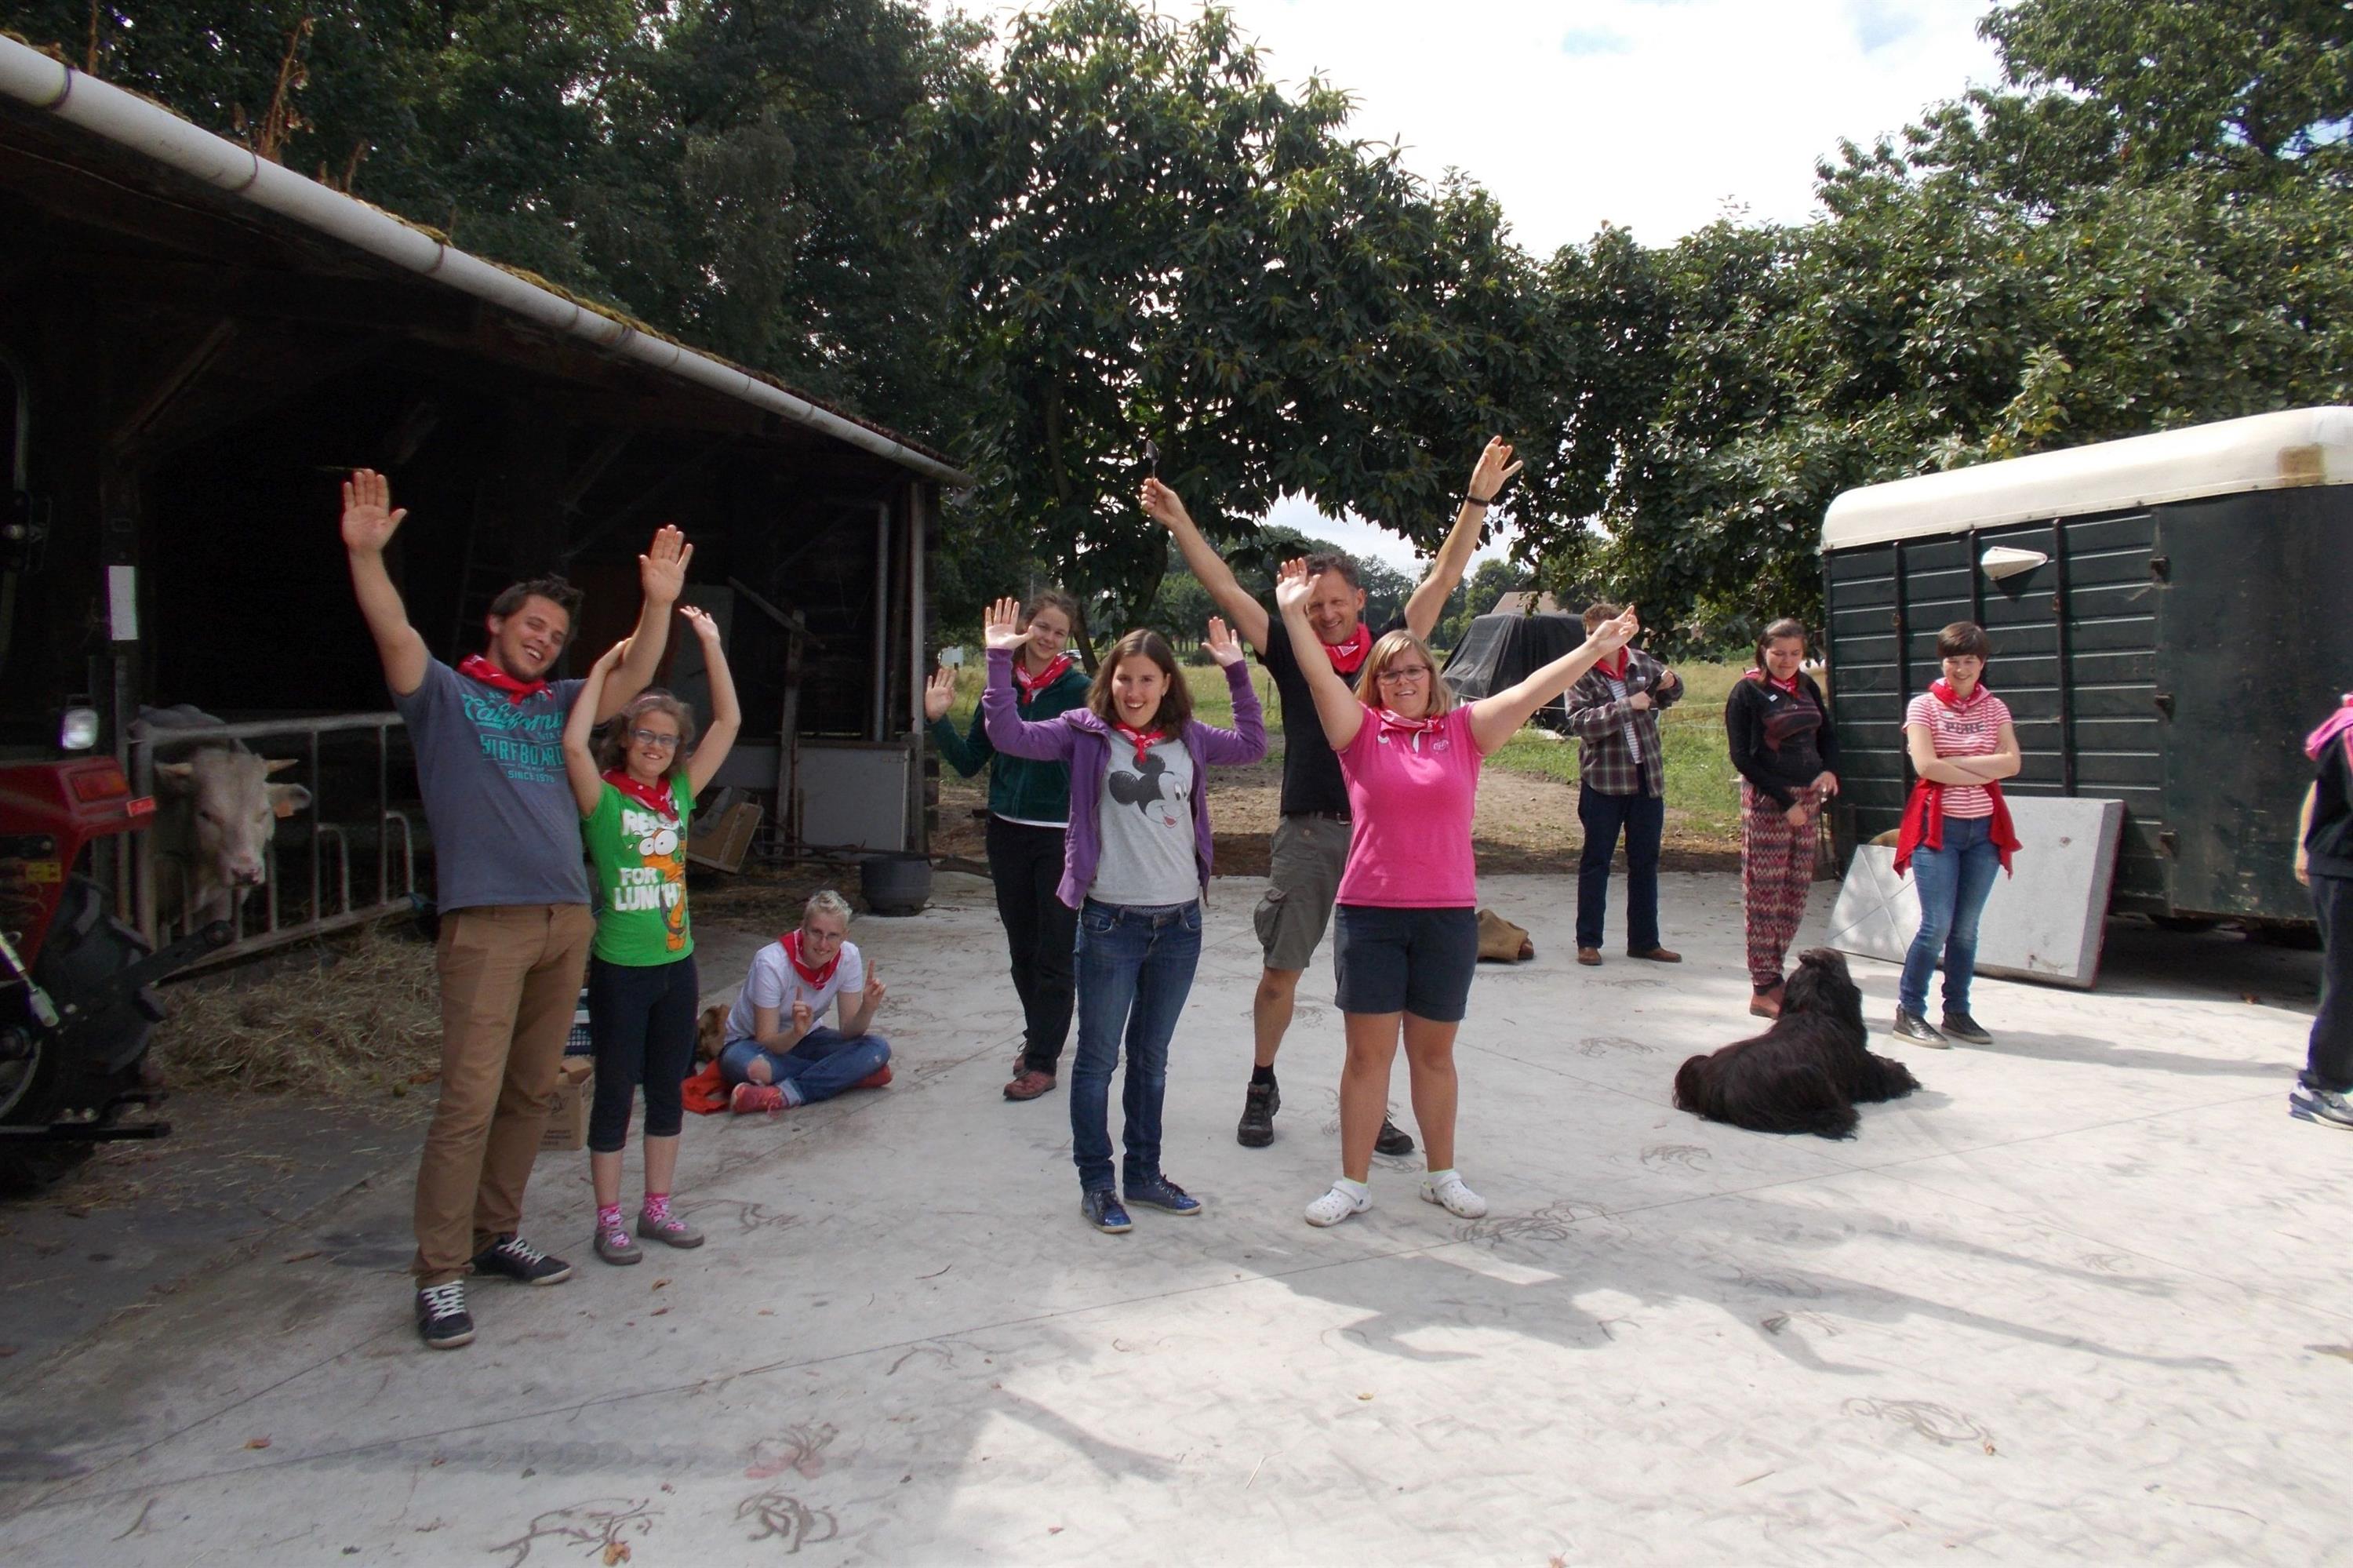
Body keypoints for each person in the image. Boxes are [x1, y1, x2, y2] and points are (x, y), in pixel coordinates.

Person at [340, 468, 686, 1352]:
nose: (545, 639)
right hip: (486, 922)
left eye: (558, 633)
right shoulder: (445, 698)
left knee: (533, 1089)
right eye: (533, 624)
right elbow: (393, 632)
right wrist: (367, 557)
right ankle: (440, 1271)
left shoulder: (562, 707)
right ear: (497, 627)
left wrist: (656, 605)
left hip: (565, 919)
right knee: (467, 1097)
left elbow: (639, 676)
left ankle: (495, 1233)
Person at [1144, 438, 1514, 1153]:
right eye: (1315, 606)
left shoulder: (1391, 653)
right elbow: (1224, 587)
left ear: (1360, 602)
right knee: (1282, 970)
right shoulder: (1288, 648)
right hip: (1310, 833)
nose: (1327, 615)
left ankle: (1372, 1110)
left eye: (1338, 603)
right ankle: (1261, 1079)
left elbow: (1444, 572)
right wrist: (1182, 522)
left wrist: (1476, 500)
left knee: (1383, 990)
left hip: (1386, 845)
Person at [1271, 558, 1638, 1228]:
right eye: (1390, 672)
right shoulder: (1356, 733)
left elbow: (1531, 690)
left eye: (1415, 669)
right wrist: (1295, 613)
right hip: (1371, 915)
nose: (1404, 680)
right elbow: (1318, 674)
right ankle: (1352, 1182)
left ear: (1431, 676)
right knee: (1366, 1056)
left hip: (1444, 917)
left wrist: (1593, 647)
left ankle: (1442, 1174)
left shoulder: (1463, 732)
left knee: (1434, 1055)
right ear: (1375, 684)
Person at [980, 597, 1266, 1234]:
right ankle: (1097, 1182)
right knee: (1098, 1060)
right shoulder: (1084, 731)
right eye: (1124, 677)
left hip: (1180, 925)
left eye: (1147, 678)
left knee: (1152, 1058)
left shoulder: (1188, 737)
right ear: (1109, 678)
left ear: (1167, 684)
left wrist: (1237, 672)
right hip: (1111, 921)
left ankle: (1143, 1173)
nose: (1133, 690)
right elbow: (1007, 735)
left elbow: (1252, 744)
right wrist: (999, 658)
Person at [562, 609, 740, 1265]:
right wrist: (603, 672)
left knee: (667, 1087)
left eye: (668, 738)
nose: (656, 746)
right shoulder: (604, 798)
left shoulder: (681, 795)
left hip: (677, 965)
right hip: (619, 967)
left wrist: (713, 646)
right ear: (627, 738)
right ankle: (607, 1218)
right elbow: (574, 746)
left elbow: (730, 723)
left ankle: (656, 1206)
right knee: (615, 1091)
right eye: (644, 734)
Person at [923, 591, 1092, 1102]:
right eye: (1041, 626)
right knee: (1022, 950)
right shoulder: (1001, 688)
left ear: (1068, 640)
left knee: (1055, 951)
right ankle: (1039, 1035)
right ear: (1023, 626)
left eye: (1059, 631)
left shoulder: (1081, 690)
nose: (1048, 637)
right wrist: (937, 720)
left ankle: (1042, 1060)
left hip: (1060, 836)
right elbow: (971, 760)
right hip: (1007, 833)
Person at [1892, 621, 2021, 1047]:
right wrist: (1984, 762)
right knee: (1936, 925)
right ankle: (1909, 1011)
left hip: (1984, 830)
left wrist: (1958, 763)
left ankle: (1958, 1011)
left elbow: (2013, 764)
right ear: (1942, 662)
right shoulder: (1923, 707)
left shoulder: (1996, 708)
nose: (1961, 670)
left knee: (1966, 928)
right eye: (1953, 661)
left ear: (1982, 664)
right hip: (1937, 829)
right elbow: (1926, 767)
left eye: (1969, 661)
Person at [1726, 619, 1839, 1018]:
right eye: (1779, 654)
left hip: (1807, 798)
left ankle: (1778, 973)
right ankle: (1762, 985)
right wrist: (1781, 799)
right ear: (1763, 651)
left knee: (1794, 894)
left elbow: (1826, 735)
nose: (1788, 661)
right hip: (1768, 801)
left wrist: (1828, 770)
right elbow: (1741, 756)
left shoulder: (1807, 687)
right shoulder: (1747, 692)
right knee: (1764, 895)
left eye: (1795, 654)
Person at [1563, 598, 1684, 968]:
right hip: (1603, 782)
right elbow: (1582, 724)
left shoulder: (1642, 662)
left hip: (1646, 780)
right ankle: (1588, 942)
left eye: (1607, 631)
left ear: (1623, 631)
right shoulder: (1578, 672)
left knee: (1645, 862)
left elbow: (1673, 694)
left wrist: (1672, 682)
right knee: (1596, 861)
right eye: (1591, 633)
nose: (1599, 639)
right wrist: (1628, 705)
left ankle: (1645, 941)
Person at [718, 890, 893, 1111]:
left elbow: (849, 1030)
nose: (823, 944)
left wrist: (867, 1008)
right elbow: (766, 1039)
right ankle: (850, 1075)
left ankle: (786, 1095)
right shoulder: (771, 963)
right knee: (751, 1069)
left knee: (877, 1047)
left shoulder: (849, 956)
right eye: (816, 933)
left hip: (808, 1038)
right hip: (751, 1043)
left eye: (833, 936)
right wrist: (796, 1033)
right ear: (803, 929)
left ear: (845, 936)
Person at [2291, 693, 2353, 1129]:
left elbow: (2317, 789)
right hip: (2346, 869)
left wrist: (2302, 847)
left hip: (2337, 864)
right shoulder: (2351, 730)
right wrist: (2304, 850)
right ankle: (2320, 1087)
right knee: (2348, 982)